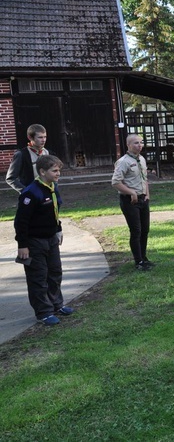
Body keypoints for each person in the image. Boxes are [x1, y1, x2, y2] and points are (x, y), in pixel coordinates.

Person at [14, 154, 74, 326]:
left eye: (59, 170)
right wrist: (22, 245)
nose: (58, 174)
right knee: (38, 277)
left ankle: (57, 305)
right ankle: (43, 312)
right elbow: (21, 222)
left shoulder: (52, 187)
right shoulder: (31, 193)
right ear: (42, 171)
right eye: (54, 171)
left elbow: (54, 211)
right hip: (34, 242)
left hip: (51, 238)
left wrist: (58, 229)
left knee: (55, 273)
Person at [112, 134, 154, 271]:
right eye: (136, 143)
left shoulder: (141, 159)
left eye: (141, 142)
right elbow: (116, 182)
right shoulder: (123, 161)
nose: (139, 145)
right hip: (130, 201)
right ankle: (138, 261)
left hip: (143, 199)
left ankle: (144, 257)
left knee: (145, 230)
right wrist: (132, 193)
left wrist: (147, 193)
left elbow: (144, 178)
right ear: (128, 145)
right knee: (136, 230)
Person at [6, 124, 52, 194]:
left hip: (47, 193)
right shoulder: (21, 154)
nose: (43, 140)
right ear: (30, 137)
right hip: (30, 196)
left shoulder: (47, 152)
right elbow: (10, 178)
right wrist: (26, 191)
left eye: (45, 137)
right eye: (40, 137)